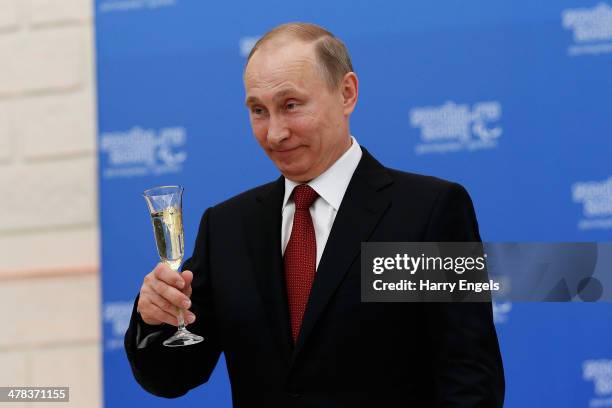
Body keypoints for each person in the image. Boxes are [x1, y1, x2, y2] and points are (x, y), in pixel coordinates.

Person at [124, 22, 505, 407]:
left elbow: (469, 377)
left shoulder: (427, 212)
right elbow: (172, 376)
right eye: (259, 110)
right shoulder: (227, 228)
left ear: (347, 93)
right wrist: (153, 320)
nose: (275, 133)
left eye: (291, 106)